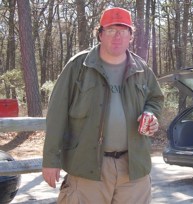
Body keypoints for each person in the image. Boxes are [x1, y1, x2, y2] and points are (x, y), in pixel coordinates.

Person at [42, 7, 164, 203]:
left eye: (123, 31)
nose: (117, 36)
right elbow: (56, 115)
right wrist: (50, 160)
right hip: (87, 169)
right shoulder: (78, 67)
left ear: (130, 36)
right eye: (110, 30)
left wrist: (151, 113)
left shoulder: (142, 69)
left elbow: (156, 99)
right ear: (100, 34)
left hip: (133, 169)